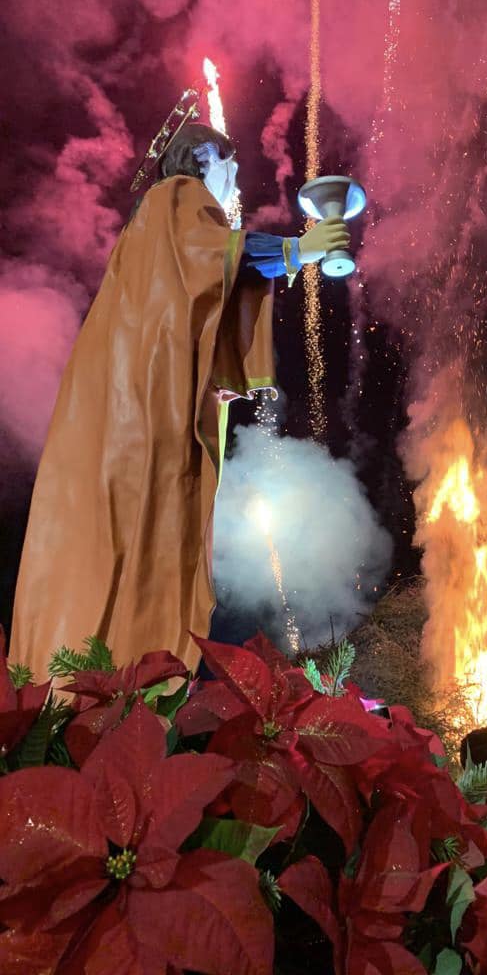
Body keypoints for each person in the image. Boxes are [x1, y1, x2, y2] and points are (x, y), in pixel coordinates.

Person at [9, 121, 350, 680]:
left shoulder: (145, 231)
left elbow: (203, 278)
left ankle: (75, 685)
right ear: (205, 158)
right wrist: (298, 249)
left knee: (115, 541)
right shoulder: (177, 197)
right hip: (148, 402)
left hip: (125, 401)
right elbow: (210, 257)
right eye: (231, 168)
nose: (234, 183)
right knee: (147, 537)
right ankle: (120, 684)